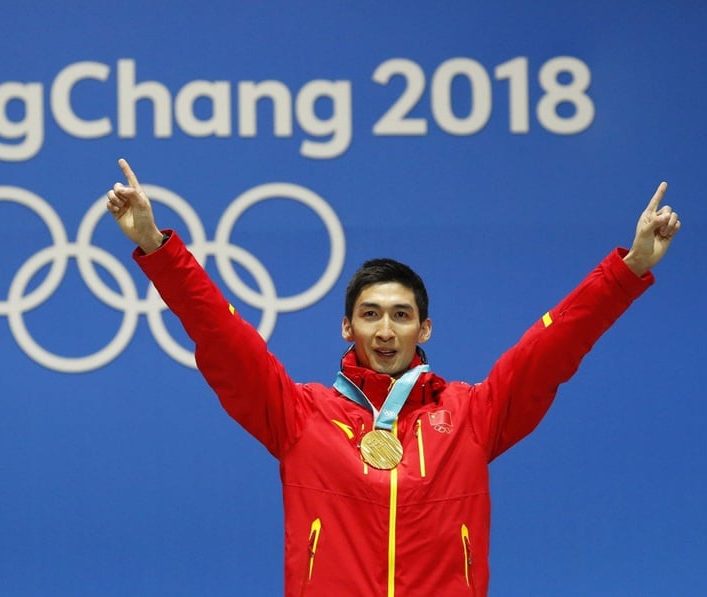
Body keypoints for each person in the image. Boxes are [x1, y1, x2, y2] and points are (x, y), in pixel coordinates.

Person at [105, 158, 681, 597]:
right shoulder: (300, 417)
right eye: (370, 314)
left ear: (424, 329)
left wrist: (627, 270)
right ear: (346, 328)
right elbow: (223, 339)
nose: (385, 330)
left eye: (401, 315)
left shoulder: (473, 416)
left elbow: (552, 348)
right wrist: (157, 247)